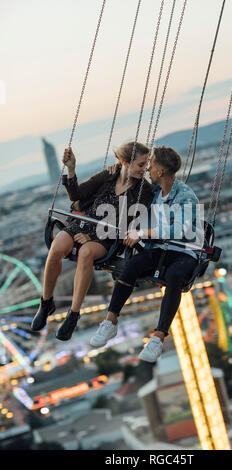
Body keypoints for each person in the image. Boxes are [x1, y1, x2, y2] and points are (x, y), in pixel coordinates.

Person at [89, 146, 202, 362]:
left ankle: (158, 336)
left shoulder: (186, 196)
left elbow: (180, 230)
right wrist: (118, 172)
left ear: (160, 172)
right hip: (161, 249)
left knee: (175, 277)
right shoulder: (155, 194)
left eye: (151, 165)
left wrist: (142, 233)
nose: (148, 168)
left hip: (185, 250)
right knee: (131, 266)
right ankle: (111, 320)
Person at [31, 141, 153, 340]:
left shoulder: (143, 190)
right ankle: (46, 303)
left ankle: (73, 314)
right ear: (124, 162)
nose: (144, 169)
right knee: (56, 247)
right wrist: (71, 169)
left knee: (86, 253)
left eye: (146, 164)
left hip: (108, 236)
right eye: (141, 164)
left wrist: (95, 232)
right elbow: (76, 195)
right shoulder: (108, 175)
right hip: (82, 223)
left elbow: (128, 221)